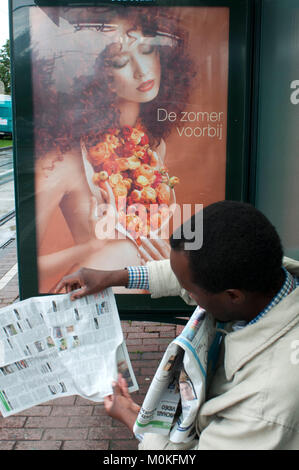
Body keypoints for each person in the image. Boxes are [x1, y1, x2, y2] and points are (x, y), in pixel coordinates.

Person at [56, 200, 299, 450]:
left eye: (190, 291)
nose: (184, 291)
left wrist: (131, 418)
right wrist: (113, 277)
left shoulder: (264, 405)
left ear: (233, 296)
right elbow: (188, 272)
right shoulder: (261, 271)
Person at [33, 7, 195, 291]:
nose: (141, 70)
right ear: (94, 74)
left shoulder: (155, 147)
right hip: (99, 301)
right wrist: (89, 248)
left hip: (152, 284)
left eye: (147, 49)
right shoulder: (62, 163)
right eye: (120, 61)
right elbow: (31, 263)